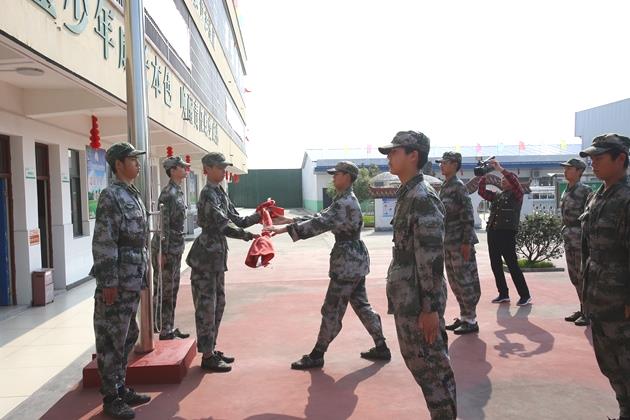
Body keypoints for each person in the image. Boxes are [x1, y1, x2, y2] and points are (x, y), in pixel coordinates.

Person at [265, 161, 390, 369]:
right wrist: (288, 220)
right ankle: (381, 346)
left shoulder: (344, 202)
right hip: (354, 260)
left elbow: (320, 223)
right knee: (361, 305)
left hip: (347, 263)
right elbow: (320, 216)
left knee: (332, 309)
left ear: (348, 177)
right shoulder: (344, 200)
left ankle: (317, 354)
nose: (333, 177)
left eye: (337, 174)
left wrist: (285, 230)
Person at [378, 131, 456, 420]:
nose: (389, 156)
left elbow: (432, 259)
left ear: (414, 155)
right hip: (409, 296)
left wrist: (430, 308)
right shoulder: (408, 193)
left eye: (395, 151)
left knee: (432, 368)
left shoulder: (422, 197)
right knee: (420, 364)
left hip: (419, 301)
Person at [91, 142, 151, 419]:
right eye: (132, 159)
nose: (137, 163)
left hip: (132, 277)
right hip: (117, 281)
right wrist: (109, 282)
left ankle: (120, 385)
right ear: (118, 164)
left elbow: (139, 241)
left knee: (129, 335)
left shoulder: (132, 194)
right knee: (112, 340)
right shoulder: (110, 196)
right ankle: (111, 397)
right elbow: (105, 242)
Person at [186, 152, 260, 372]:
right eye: (219, 167)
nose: (223, 171)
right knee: (207, 307)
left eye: (224, 167)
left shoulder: (220, 193)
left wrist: (259, 214)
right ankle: (207, 355)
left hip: (216, 259)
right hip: (205, 259)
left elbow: (237, 219)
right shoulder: (208, 193)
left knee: (219, 305)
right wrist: (246, 237)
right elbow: (222, 224)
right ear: (207, 169)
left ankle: (211, 348)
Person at [579, 133, 630, 420]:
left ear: (620, 158)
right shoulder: (598, 195)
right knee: (610, 364)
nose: (593, 164)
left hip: (621, 301)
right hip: (599, 298)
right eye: (592, 159)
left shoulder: (626, 198)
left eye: (599, 158)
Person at [436, 152, 481, 335]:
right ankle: (464, 316)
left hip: (460, 242)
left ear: (455, 165)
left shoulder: (458, 187)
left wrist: (466, 242)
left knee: (466, 281)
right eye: (441, 163)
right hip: (448, 243)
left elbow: (468, 216)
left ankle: (471, 319)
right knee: (455, 282)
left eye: (445, 163)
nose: (441, 165)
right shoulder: (445, 186)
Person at [477, 158, 532, 306]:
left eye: (505, 179)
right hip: (493, 232)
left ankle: (525, 295)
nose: (502, 181)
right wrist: (483, 176)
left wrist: (500, 169)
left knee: (512, 264)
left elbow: (514, 183)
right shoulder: (498, 195)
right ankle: (503, 293)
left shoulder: (517, 194)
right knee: (495, 264)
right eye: (501, 179)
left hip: (507, 232)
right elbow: (482, 192)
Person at [151, 156, 191, 340]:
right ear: (173, 170)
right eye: (182, 166)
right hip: (166, 247)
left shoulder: (178, 191)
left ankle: (168, 325)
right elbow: (163, 225)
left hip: (175, 246)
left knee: (172, 288)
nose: (185, 169)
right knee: (163, 289)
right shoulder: (168, 193)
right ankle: (159, 327)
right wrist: (162, 251)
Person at [559, 158, 590, 326]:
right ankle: (582, 308)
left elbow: (589, 216)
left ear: (579, 171)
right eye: (565, 168)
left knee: (582, 275)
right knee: (574, 276)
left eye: (569, 168)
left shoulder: (585, 190)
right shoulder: (566, 190)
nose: (566, 171)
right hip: (568, 236)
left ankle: (588, 312)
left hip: (579, 237)